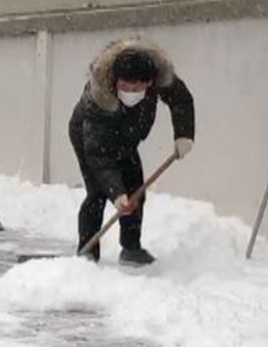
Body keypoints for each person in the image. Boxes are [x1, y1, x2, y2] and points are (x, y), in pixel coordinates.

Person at [69, 39, 195, 265]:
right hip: (89, 138)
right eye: (125, 87)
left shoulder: (160, 77)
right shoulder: (98, 100)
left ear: (150, 83)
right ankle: (87, 253)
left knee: (136, 190)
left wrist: (183, 135)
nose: (131, 93)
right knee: (98, 193)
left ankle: (131, 249)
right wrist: (116, 193)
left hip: (127, 137)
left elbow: (181, 99)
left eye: (137, 88)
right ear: (115, 81)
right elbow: (100, 157)